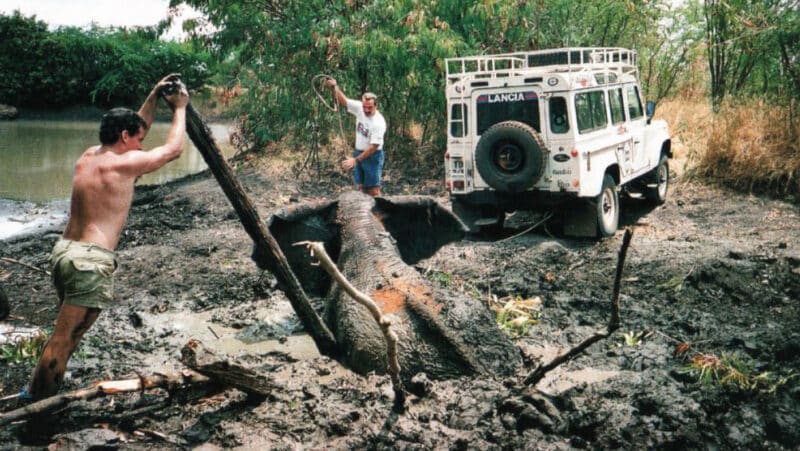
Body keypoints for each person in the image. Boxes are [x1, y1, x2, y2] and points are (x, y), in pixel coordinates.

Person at [26, 74, 189, 400]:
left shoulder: (89, 156)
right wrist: (180, 109)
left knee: (66, 336)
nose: (142, 145)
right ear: (125, 137)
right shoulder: (125, 165)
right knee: (64, 338)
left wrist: (155, 94)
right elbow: (173, 149)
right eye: (139, 139)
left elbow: (134, 126)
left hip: (64, 252)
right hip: (89, 261)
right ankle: (35, 403)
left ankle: (42, 391)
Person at [326, 78, 387, 196]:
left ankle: (377, 212)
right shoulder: (360, 108)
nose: (366, 110)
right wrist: (335, 87)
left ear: (376, 105)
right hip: (359, 152)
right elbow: (344, 101)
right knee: (360, 187)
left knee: (373, 190)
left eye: (370, 107)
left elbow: (374, 147)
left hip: (372, 156)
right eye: (365, 107)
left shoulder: (378, 122)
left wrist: (355, 160)